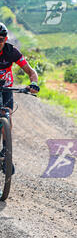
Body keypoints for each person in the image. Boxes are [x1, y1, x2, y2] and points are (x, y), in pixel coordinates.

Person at [0, 23, 40, 173]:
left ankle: (6, 154)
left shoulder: (11, 52)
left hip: (5, 89)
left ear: (6, 39)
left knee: (7, 116)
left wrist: (34, 83)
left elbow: (31, 71)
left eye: (1, 39)